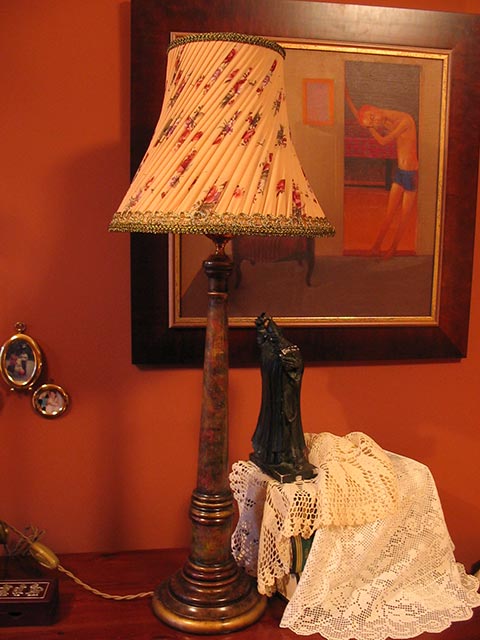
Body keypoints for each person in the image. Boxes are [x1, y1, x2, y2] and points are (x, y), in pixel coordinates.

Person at [346, 90, 419, 257]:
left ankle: (393, 248)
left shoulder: (405, 121)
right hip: (400, 172)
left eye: (373, 118)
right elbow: (362, 117)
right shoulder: (385, 120)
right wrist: (348, 99)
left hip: (411, 174)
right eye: (372, 122)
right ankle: (376, 247)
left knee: (404, 217)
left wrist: (370, 127)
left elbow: (383, 141)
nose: (375, 122)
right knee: (389, 214)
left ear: (375, 108)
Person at [250, 313, 316, 483]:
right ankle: (272, 456)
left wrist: (292, 368)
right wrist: (260, 330)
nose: (272, 337)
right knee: (270, 429)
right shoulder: (270, 348)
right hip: (272, 399)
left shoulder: (290, 350)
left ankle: (291, 458)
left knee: (288, 430)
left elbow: (296, 366)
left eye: (273, 334)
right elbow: (263, 345)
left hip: (286, 399)